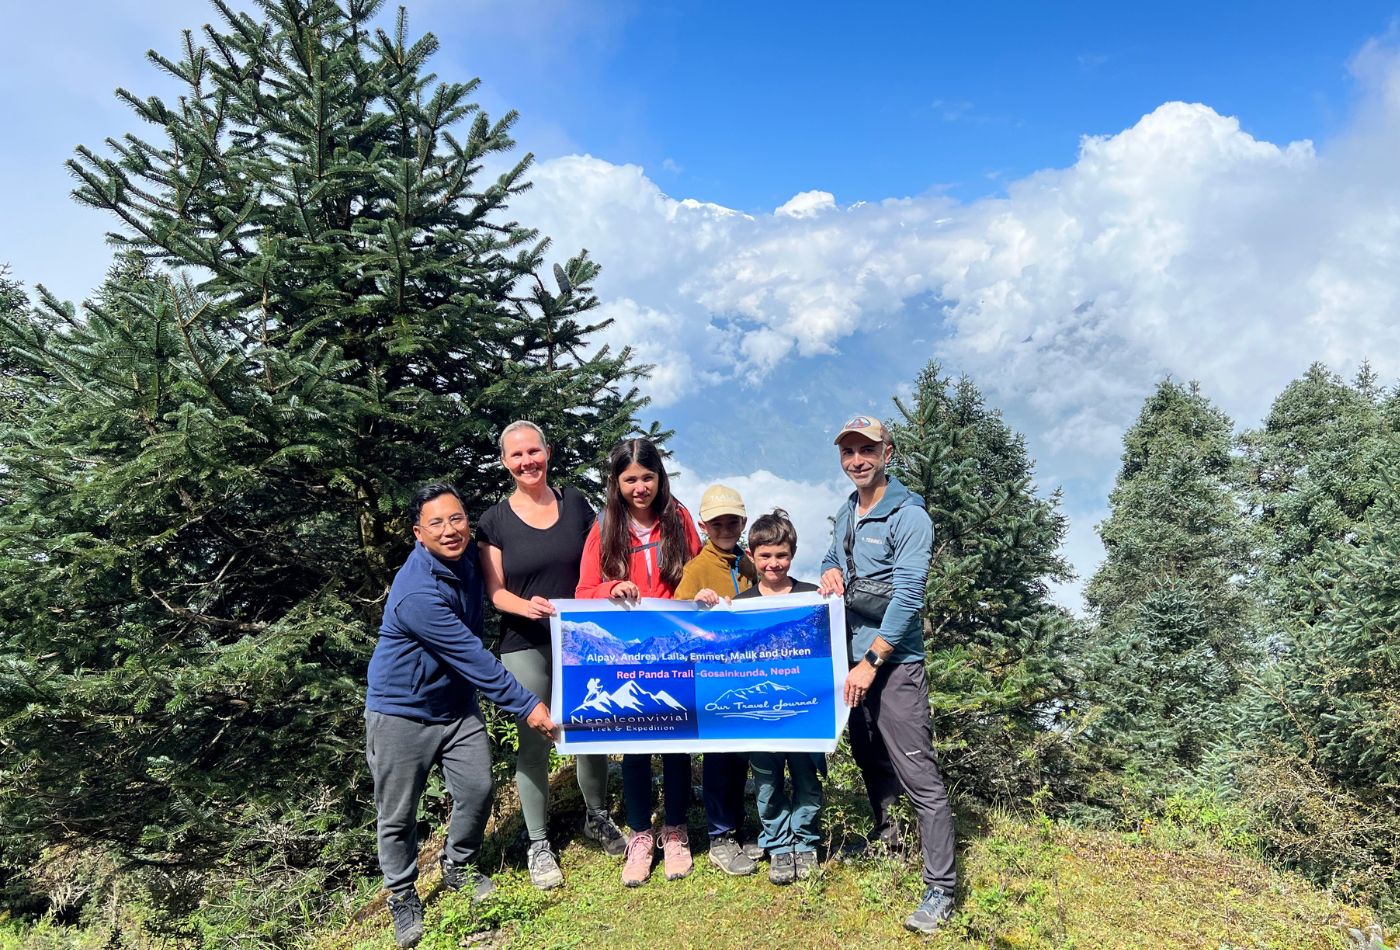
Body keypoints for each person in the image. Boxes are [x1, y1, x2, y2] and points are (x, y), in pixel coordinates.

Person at [366, 482, 556, 949]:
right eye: (437, 523)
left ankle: (457, 863)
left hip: (456, 706)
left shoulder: (469, 559)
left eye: (457, 519)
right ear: (418, 533)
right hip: (401, 712)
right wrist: (530, 705)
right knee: (397, 814)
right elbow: (472, 657)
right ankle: (403, 895)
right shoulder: (416, 594)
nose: (450, 530)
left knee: (477, 787)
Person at [817, 416, 957, 934]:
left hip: (891, 666)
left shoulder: (908, 515)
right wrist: (830, 567)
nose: (857, 460)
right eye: (848, 451)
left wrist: (872, 662)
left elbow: (908, 596)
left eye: (867, 450)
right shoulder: (846, 510)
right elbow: (835, 556)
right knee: (869, 753)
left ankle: (940, 886)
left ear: (887, 453)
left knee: (918, 770)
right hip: (850, 662)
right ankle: (889, 836)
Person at [476, 421, 627, 890]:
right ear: (505, 462)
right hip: (525, 642)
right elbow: (495, 592)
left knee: (589, 727)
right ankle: (537, 842)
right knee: (536, 738)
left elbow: (604, 558)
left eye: (534, 452)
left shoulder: (576, 503)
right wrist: (527, 606)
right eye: (517, 455)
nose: (527, 462)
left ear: (548, 451)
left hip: (582, 638)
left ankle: (597, 816)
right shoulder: (493, 521)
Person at [575, 438, 703, 887]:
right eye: (630, 479)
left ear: (659, 477)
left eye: (647, 477)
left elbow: (698, 571)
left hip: (673, 648)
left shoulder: (679, 518)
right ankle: (641, 835)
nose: (640, 487)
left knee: (675, 742)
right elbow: (583, 591)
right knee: (633, 745)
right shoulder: (605, 526)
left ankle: (676, 830)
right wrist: (611, 589)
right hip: (626, 655)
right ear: (616, 482)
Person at [733, 508, 825, 885]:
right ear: (752, 556)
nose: (774, 564)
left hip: (804, 711)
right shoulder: (739, 605)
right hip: (758, 714)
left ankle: (806, 842)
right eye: (766, 556)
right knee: (767, 782)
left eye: (782, 555)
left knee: (807, 779)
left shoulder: (813, 597)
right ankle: (778, 843)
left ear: (793, 554)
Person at [675, 484, 760, 877]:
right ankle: (720, 836)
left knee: (742, 753)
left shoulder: (751, 562)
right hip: (712, 680)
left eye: (733, 521)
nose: (726, 528)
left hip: (748, 675)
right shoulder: (697, 568)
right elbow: (674, 619)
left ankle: (740, 827)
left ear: (742, 523)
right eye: (718, 523)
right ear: (703, 525)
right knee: (720, 756)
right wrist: (697, 604)